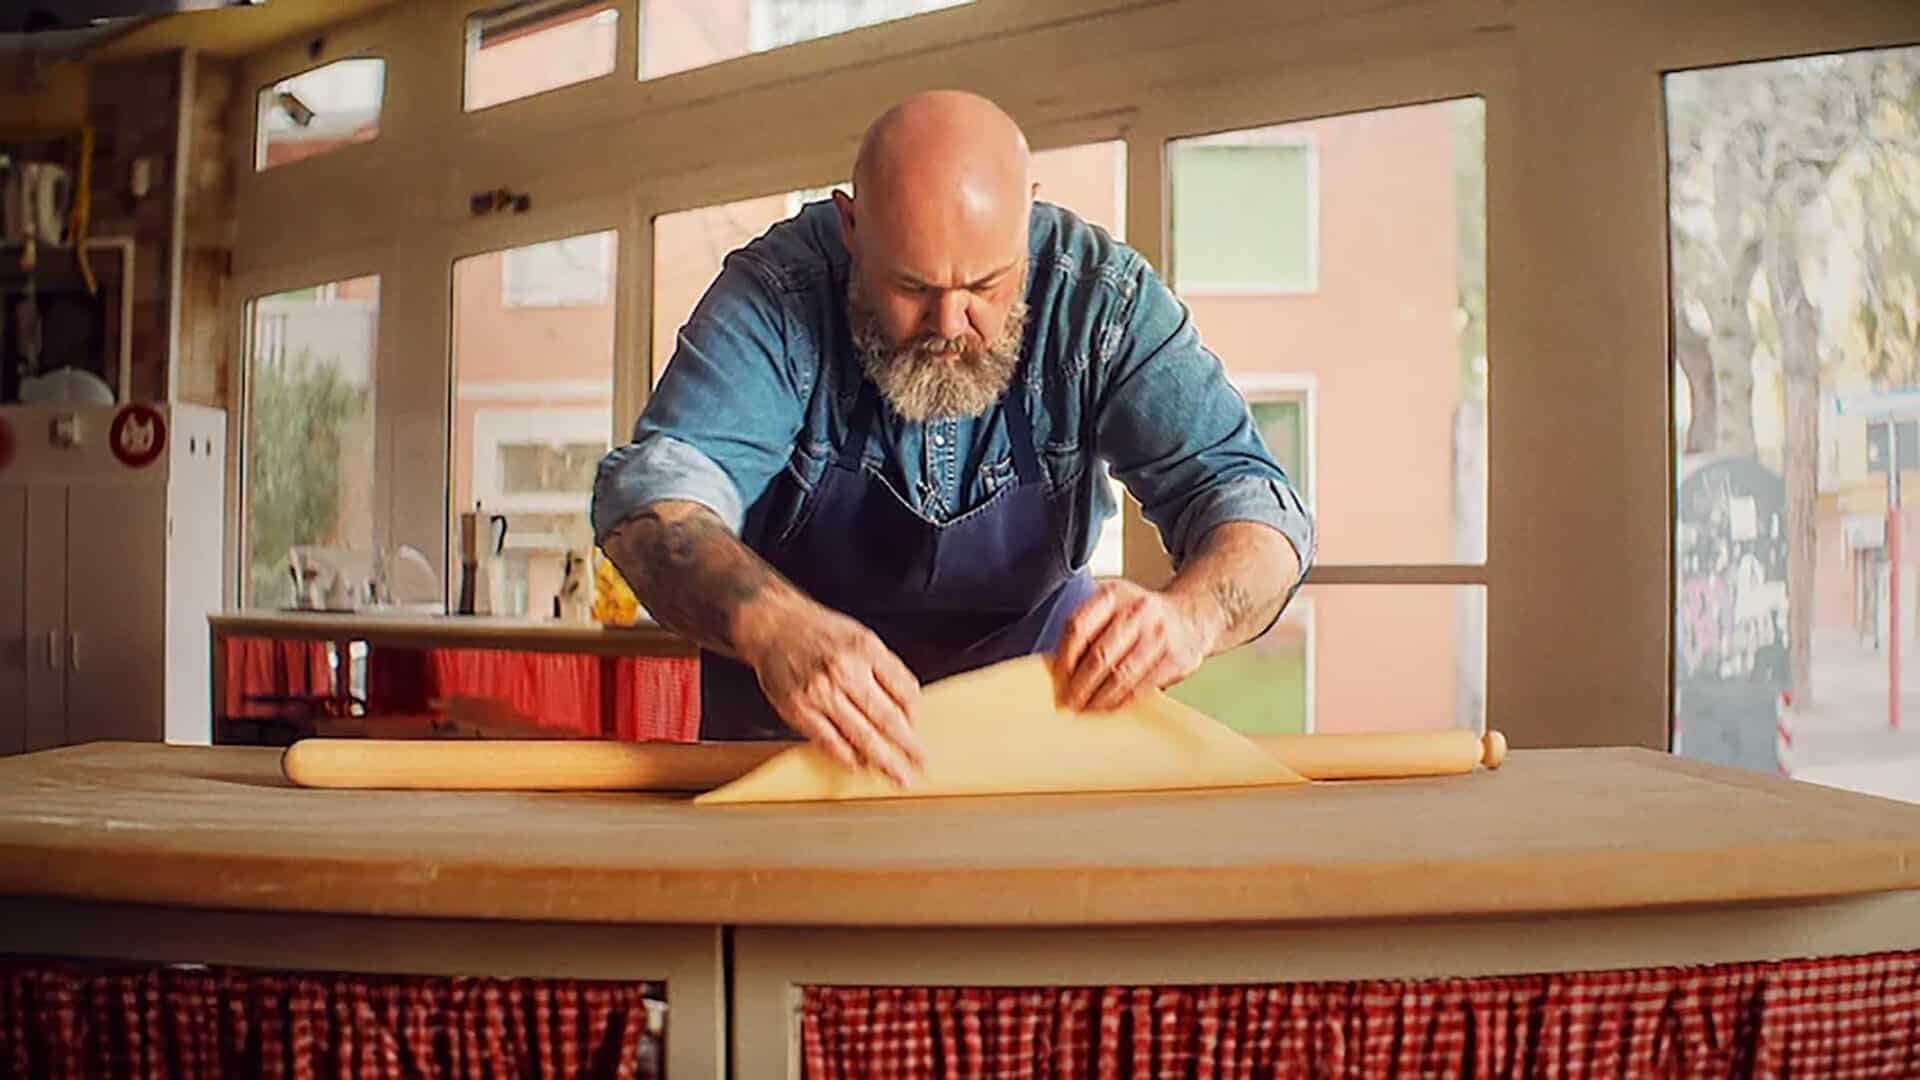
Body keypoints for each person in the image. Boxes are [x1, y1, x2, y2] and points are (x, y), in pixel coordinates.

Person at [592, 90, 1313, 786]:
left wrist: (1192, 616)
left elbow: (1252, 503)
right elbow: (656, 505)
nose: (949, 323)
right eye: (911, 288)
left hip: (1036, 744)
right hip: (797, 755)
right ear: (851, 227)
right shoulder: (775, 295)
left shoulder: (1102, 300)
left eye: (987, 285)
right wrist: (773, 626)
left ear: (1027, 217)